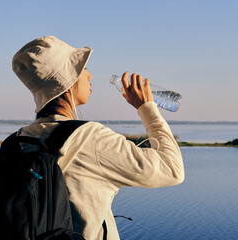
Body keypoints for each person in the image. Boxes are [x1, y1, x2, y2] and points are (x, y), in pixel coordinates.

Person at [12, 35, 184, 240]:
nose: (90, 75)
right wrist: (147, 108)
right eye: (82, 69)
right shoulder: (90, 139)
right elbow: (172, 170)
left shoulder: (16, 142)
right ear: (68, 82)